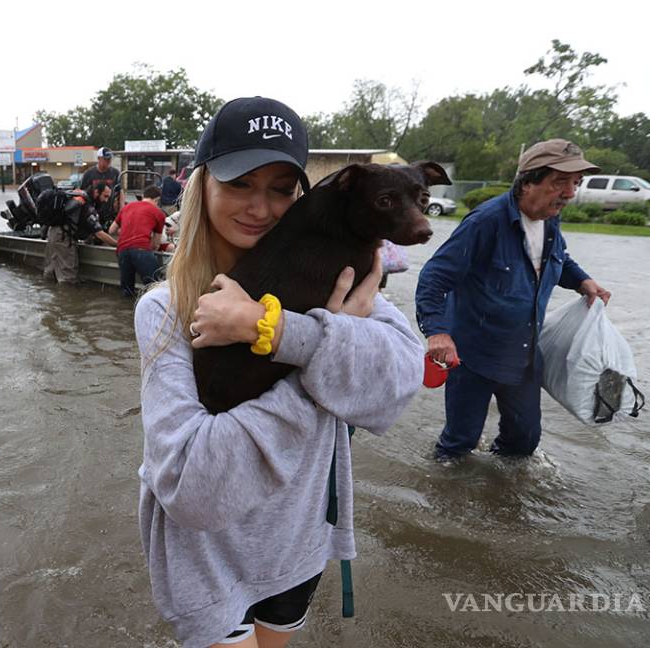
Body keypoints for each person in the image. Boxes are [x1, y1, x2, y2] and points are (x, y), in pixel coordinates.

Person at [133, 96, 423, 648]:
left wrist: (287, 333)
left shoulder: (341, 279)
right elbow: (193, 489)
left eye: (281, 188)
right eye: (240, 183)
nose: (260, 208)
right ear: (202, 188)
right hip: (206, 555)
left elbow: (399, 385)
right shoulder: (167, 309)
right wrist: (329, 360)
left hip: (299, 541)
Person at [415, 139, 612, 460]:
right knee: (458, 444)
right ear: (529, 181)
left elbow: (556, 258)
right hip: (473, 356)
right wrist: (437, 332)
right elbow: (434, 277)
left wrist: (583, 282)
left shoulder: (551, 219)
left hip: (523, 356)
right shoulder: (484, 223)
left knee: (524, 441)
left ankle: (501, 493)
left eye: (575, 183)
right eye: (560, 182)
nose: (570, 193)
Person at [42, 184, 118, 284]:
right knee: (68, 278)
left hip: (52, 233)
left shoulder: (76, 196)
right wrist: (118, 244)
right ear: (96, 192)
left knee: (50, 275)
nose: (106, 200)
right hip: (64, 238)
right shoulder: (87, 205)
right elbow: (99, 234)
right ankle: (67, 297)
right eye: (105, 196)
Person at [109, 184, 166, 297]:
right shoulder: (158, 213)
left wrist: (127, 231)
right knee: (154, 288)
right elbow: (156, 244)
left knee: (127, 291)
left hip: (122, 251)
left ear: (143, 196)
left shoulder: (126, 207)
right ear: (157, 200)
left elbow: (111, 230)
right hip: (142, 250)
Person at [79, 146, 120, 223]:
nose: (108, 161)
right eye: (106, 159)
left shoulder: (115, 173)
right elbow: (82, 193)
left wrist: (121, 211)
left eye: (110, 159)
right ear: (98, 158)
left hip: (110, 213)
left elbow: (120, 192)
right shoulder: (89, 173)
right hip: (92, 213)